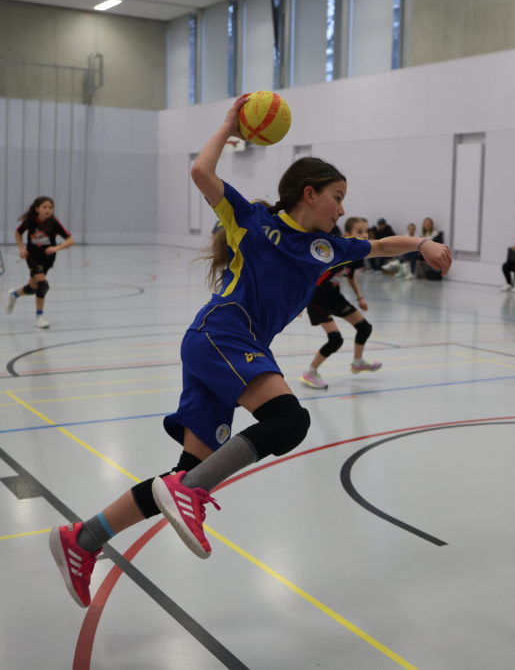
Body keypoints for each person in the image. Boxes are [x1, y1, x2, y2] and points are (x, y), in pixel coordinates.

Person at [49, 94, 451, 608]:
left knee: (183, 474)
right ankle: (189, 495)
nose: (345, 208)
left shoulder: (327, 247)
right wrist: (226, 126)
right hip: (223, 333)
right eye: (338, 195)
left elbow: (377, 246)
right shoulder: (253, 223)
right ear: (310, 193)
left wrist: (420, 246)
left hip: (221, 348)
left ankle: (83, 538)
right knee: (289, 420)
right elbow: (200, 171)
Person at [300, 217, 383, 390]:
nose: (365, 235)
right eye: (359, 232)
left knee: (364, 327)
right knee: (335, 339)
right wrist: (298, 301)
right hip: (317, 299)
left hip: (334, 297)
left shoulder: (358, 254)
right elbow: (311, 276)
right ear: (347, 235)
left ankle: (358, 363)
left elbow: (350, 275)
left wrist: (360, 297)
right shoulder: (336, 253)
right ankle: (310, 372)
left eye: (366, 231)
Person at [6, 196, 74, 329]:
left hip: (47, 259)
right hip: (33, 257)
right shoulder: (30, 221)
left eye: (50, 207)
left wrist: (56, 248)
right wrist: (21, 248)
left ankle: (14, 294)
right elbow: (18, 233)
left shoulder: (54, 222)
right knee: (42, 285)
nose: (48, 210)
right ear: (37, 209)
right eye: (45, 207)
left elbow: (70, 240)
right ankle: (39, 317)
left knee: (32, 288)